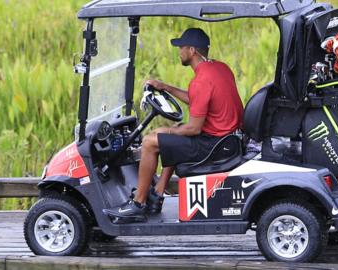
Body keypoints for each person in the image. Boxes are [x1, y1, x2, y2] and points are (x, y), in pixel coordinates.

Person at [103, 28, 244, 222]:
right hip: (227, 140)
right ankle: (157, 195)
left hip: (215, 146)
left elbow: (194, 129)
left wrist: (168, 130)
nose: (179, 52)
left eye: (181, 48)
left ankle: (137, 203)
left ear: (192, 50)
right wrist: (166, 87)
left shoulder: (202, 80)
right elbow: (197, 99)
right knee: (169, 136)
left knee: (151, 142)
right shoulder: (219, 68)